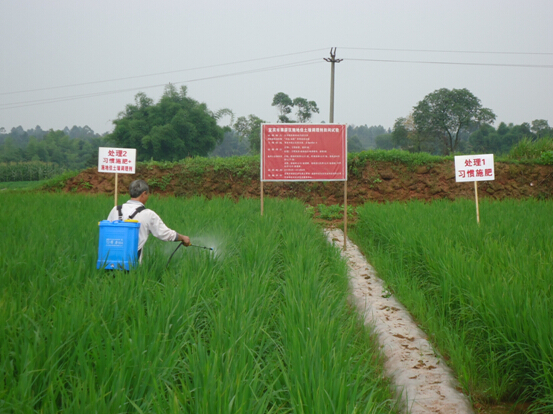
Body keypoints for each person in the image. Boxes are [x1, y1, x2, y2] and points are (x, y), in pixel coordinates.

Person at [107, 179, 190, 262]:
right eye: (148, 194)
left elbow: (107, 232)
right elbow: (165, 234)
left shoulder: (116, 210)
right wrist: (183, 238)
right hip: (132, 262)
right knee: (132, 274)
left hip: (109, 259)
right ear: (143, 194)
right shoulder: (148, 214)